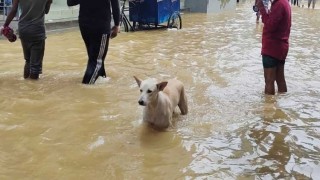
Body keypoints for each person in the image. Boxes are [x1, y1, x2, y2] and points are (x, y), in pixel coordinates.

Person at [67, 0, 120, 84]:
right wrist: (117, 24)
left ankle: (100, 81)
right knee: (96, 61)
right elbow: (115, 4)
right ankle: (86, 89)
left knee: (94, 58)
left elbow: (70, 2)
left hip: (84, 25)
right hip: (100, 26)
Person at [2, 0, 52, 80]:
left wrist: (5, 26)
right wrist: (49, 2)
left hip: (23, 29)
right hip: (37, 30)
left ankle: (26, 85)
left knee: (28, 60)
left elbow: (14, 10)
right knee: (35, 66)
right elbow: (46, 11)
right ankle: (33, 90)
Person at [257, 0, 291, 95]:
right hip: (281, 47)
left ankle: (268, 108)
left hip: (272, 48)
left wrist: (262, 9)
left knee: (269, 80)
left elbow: (270, 25)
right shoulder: (284, 3)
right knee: (280, 80)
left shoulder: (279, 4)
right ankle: (281, 106)